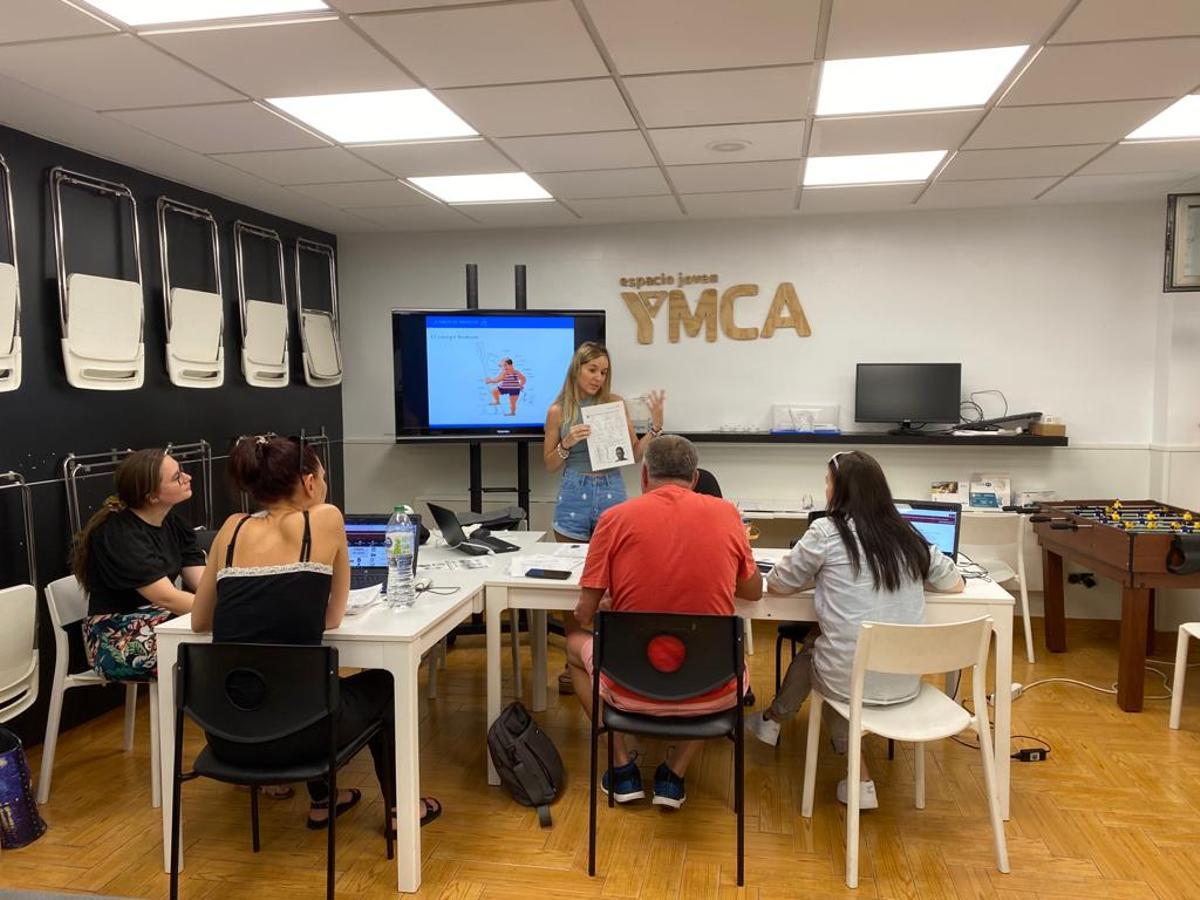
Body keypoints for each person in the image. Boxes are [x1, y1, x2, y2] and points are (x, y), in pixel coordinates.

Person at [191, 436, 442, 832]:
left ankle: (326, 801)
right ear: (309, 483)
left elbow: (199, 622)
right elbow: (333, 617)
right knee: (383, 684)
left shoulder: (231, 529)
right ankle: (400, 811)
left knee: (297, 685)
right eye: (322, 476)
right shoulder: (324, 518)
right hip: (304, 736)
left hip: (227, 734)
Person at [745, 450, 963, 810]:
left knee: (830, 660)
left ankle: (853, 772)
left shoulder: (826, 532)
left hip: (850, 678)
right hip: (905, 682)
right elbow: (954, 583)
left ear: (840, 491)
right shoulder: (908, 535)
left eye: (828, 483)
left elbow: (780, 585)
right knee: (828, 650)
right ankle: (773, 723)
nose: (826, 490)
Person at [565, 435, 762, 809]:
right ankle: (674, 773)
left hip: (628, 687)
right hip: (713, 691)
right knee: (720, 661)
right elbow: (752, 592)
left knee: (574, 647)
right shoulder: (728, 514)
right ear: (695, 476)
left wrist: (613, 601)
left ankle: (621, 765)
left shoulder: (614, 519)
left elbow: (584, 615)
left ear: (644, 476)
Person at [543, 341, 664, 693]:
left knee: (617, 581)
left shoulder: (614, 404)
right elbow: (549, 464)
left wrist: (654, 428)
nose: (598, 378)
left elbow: (634, 454)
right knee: (576, 584)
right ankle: (574, 662)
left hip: (610, 490)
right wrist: (566, 443)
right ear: (577, 369)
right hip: (573, 496)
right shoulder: (557, 411)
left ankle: (615, 662)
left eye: (604, 372)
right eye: (592, 370)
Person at [74, 448, 204, 682]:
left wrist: (231, 603)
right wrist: (228, 612)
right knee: (213, 646)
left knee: (225, 637)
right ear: (152, 496)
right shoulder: (118, 533)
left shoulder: (173, 522)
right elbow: (167, 597)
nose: (188, 478)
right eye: (177, 477)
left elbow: (200, 581)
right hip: (114, 638)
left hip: (157, 619)